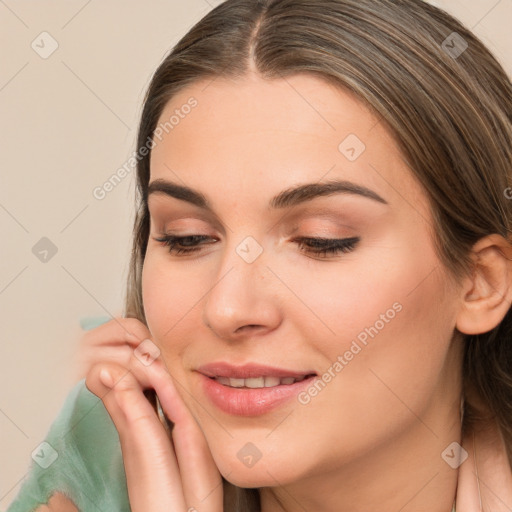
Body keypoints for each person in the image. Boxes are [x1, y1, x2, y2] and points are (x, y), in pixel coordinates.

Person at [8, 0, 512, 510]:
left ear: (480, 281)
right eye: (186, 237)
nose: (228, 308)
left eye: (321, 240)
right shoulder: (97, 452)